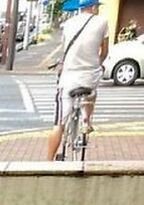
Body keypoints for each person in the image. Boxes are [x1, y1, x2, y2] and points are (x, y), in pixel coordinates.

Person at [46, 0, 109, 160]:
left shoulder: (68, 24)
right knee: (92, 93)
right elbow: (104, 51)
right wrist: (97, 64)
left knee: (58, 124)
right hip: (91, 75)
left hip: (69, 77)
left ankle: (47, 162)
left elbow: (66, 49)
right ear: (94, 7)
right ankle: (87, 120)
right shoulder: (102, 22)